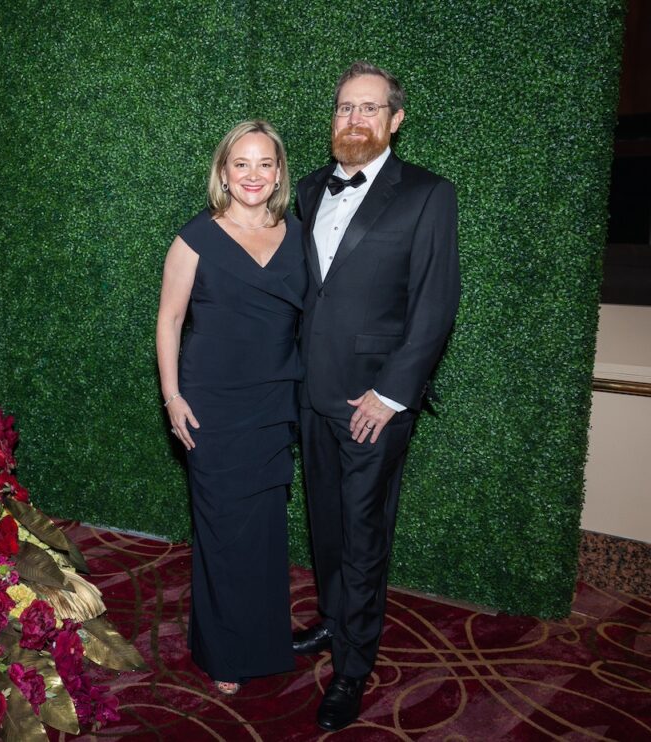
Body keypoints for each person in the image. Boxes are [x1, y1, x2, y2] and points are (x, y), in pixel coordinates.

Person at [293, 61, 461, 731]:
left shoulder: (427, 194)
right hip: (310, 393)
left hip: (372, 402)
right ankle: (335, 624)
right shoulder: (306, 188)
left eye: (369, 109)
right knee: (327, 524)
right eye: (344, 108)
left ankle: (354, 667)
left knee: (363, 534)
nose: (354, 119)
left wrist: (390, 397)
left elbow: (435, 306)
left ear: (395, 120)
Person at [156, 120, 306, 695]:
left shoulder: (297, 233)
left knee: (265, 528)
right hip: (210, 403)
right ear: (223, 171)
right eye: (240, 164)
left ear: (278, 172)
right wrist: (172, 397)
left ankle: (264, 641)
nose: (252, 175)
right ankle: (223, 650)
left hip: (274, 401)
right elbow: (169, 320)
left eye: (264, 163)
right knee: (221, 528)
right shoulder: (194, 238)